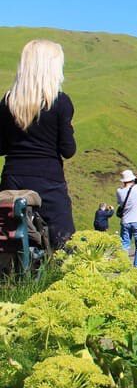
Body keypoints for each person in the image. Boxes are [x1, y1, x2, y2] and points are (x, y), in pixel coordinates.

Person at [0, 40, 76, 249]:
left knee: (12, 241)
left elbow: (2, 148)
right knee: (62, 243)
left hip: (13, 178)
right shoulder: (60, 102)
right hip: (48, 180)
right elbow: (68, 150)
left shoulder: (7, 102)